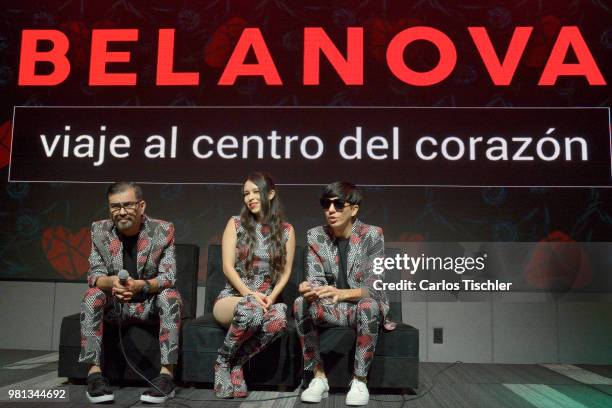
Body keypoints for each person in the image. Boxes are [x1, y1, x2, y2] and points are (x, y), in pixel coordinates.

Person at [79, 182, 182, 404]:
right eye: (115, 206)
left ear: (141, 206)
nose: (122, 212)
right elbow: (94, 275)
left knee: (170, 296)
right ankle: (94, 375)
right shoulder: (99, 230)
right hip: (115, 306)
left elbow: (168, 277)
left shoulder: (162, 230)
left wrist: (140, 286)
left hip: (148, 305)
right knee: (92, 295)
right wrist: (112, 282)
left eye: (128, 205)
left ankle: (166, 376)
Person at [294, 181, 395, 406]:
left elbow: (375, 287)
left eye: (338, 204)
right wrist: (309, 289)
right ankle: (318, 377)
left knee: (368, 305)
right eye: (326, 204)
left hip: (362, 307)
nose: (331, 210)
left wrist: (342, 293)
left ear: (354, 209)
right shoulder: (315, 236)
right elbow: (316, 280)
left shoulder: (372, 235)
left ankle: (359, 380)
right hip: (334, 308)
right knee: (300, 302)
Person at [213, 172, 295, 398]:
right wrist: (249, 294)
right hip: (233, 298)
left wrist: (272, 296)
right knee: (252, 310)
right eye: (246, 193)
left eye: (255, 191)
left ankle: (237, 363)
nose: (250, 197)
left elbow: (286, 271)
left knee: (279, 317)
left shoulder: (286, 230)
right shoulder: (236, 224)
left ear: (270, 193)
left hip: (265, 300)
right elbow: (227, 267)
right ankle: (222, 362)